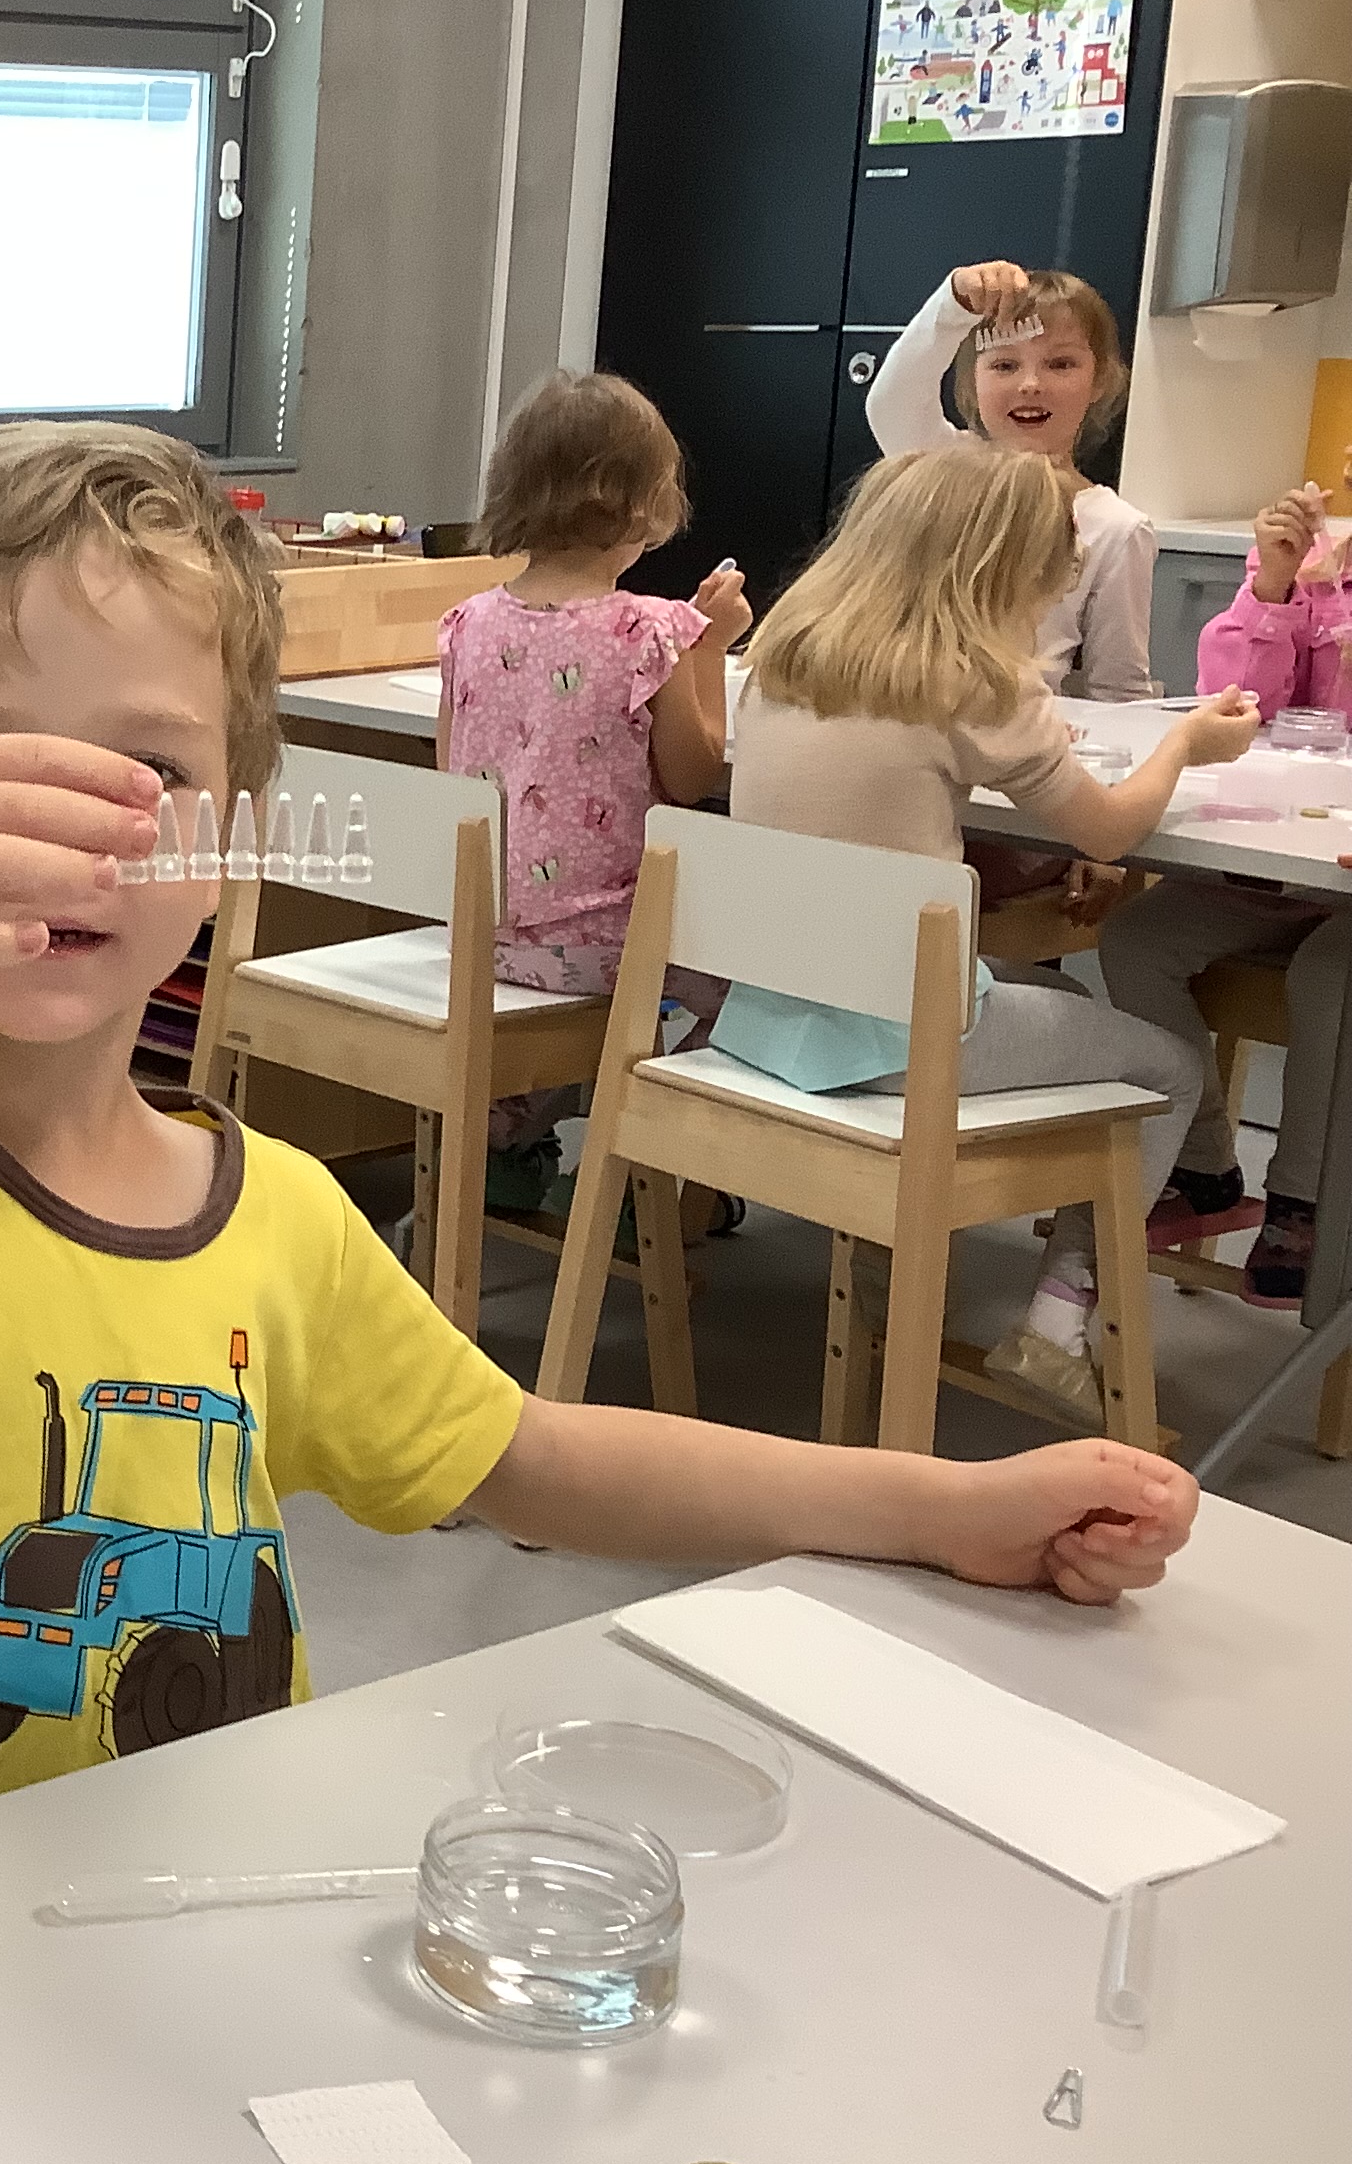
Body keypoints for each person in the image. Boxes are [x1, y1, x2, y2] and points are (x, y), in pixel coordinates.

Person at [0, 420, 1201, 1892]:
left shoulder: (271, 1215)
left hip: (173, 1928)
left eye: (150, 770)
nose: (72, 830)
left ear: (234, 828)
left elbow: (533, 1457)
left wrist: (937, 1506)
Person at [720, 445, 1257, 1418]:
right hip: (901, 1042)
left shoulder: (779, 662)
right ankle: (1058, 1325)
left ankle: (898, 1275)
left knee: (1053, 993)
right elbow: (1109, 831)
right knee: (1170, 1066)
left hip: (772, 1020)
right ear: (1003, 571)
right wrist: (1183, 741)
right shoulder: (978, 683)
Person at [439, 371, 744, 1209]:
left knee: (585, 1003)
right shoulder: (651, 630)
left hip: (484, 934)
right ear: (642, 504)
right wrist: (709, 649)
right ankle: (640, 1177)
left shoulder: (467, 624)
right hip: (608, 946)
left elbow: (450, 775)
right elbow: (693, 776)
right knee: (757, 995)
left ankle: (508, 1142)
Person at [1098, 454, 1352, 1304]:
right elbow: (1237, 705)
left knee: (1331, 975)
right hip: (1289, 858)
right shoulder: (1319, 571)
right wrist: (1272, 588)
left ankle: (1303, 1202)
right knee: (1138, 939)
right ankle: (1201, 1159)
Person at [866, 257, 1154, 702]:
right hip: (900, 714)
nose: (1030, 384)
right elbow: (891, 404)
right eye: (1004, 365)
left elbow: (1119, 690)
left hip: (1017, 734)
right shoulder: (945, 467)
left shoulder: (1117, 529)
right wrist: (953, 305)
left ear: (1098, 380)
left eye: (1060, 364)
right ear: (972, 382)